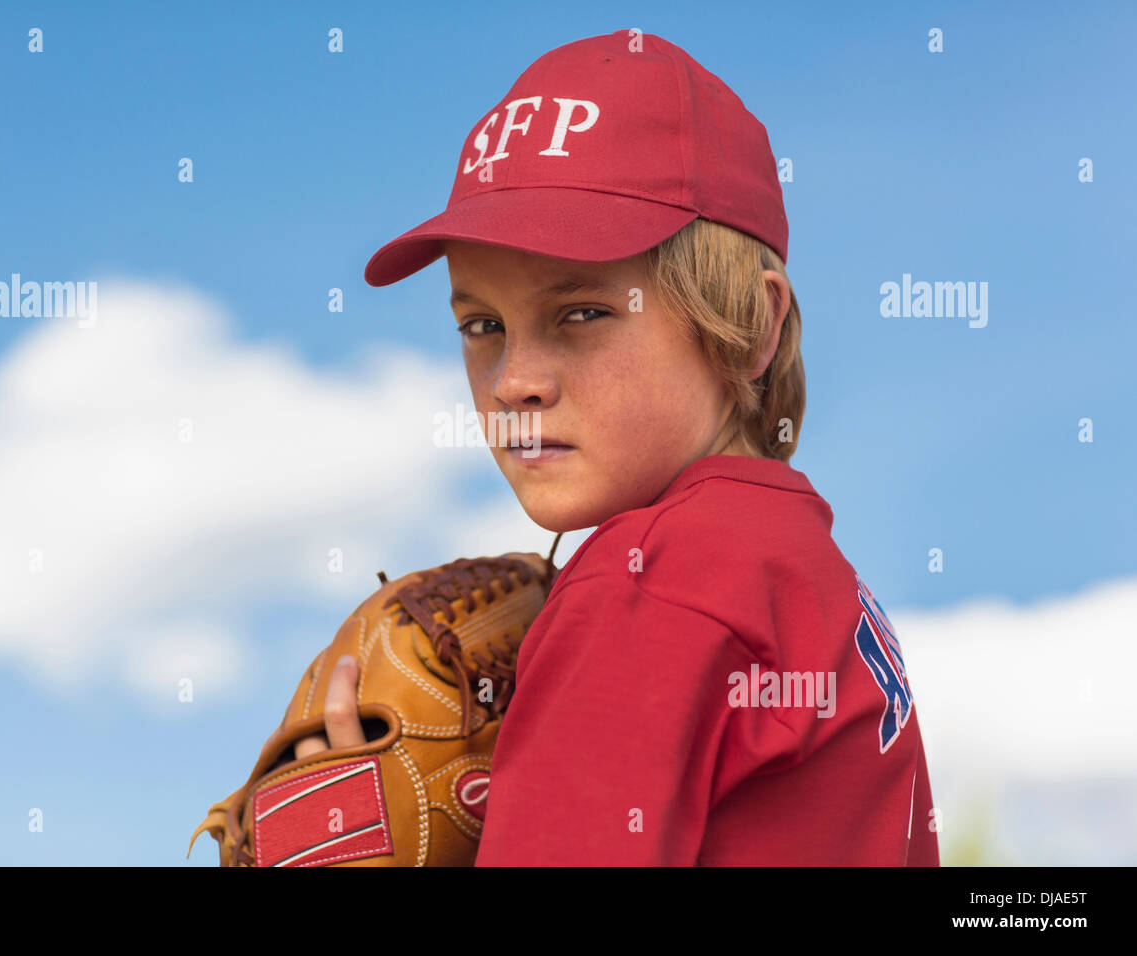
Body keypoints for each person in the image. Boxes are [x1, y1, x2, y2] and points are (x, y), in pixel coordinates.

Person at [293, 29, 939, 865]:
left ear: (750, 326)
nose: (514, 381)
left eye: (583, 313)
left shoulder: (645, 583)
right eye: (482, 325)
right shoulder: (806, 572)